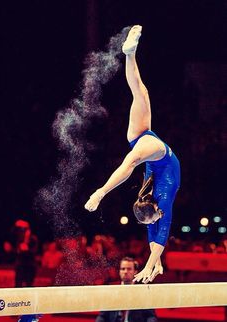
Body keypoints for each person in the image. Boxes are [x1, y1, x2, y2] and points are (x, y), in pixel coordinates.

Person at [85, 25, 180, 283]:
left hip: (156, 151)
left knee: (130, 163)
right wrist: (155, 262)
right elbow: (155, 233)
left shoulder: (162, 199)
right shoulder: (154, 202)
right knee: (141, 92)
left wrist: (148, 267)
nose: (159, 219)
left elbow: (161, 234)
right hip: (143, 142)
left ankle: (101, 190)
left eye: (156, 218)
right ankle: (130, 53)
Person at [95, 257, 158, 322]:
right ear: (119, 271)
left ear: (135, 272)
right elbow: (102, 316)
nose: (125, 271)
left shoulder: (142, 293)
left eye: (129, 269)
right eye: (123, 269)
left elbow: (151, 316)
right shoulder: (111, 291)